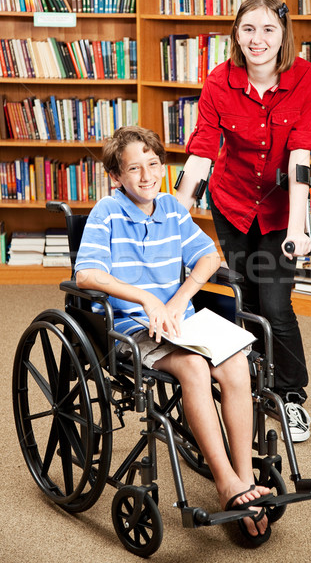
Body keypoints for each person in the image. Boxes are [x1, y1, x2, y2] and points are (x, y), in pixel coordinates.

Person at [74, 126, 271, 543]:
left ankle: (244, 474)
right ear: (116, 176)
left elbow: (208, 257)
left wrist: (179, 299)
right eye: (133, 168)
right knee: (195, 367)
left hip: (180, 319)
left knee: (237, 362)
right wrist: (147, 299)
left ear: (163, 167)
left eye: (153, 165)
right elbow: (87, 273)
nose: (146, 176)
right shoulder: (106, 212)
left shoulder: (173, 209)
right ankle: (225, 483)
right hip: (131, 325)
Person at [175, 0, 311, 443]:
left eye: (268, 30)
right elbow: (202, 151)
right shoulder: (220, 80)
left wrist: (297, 229)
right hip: (233, 201)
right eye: (248, 29)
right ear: (236, 34)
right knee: (244, 298)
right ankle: (254, 385)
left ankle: (290, 397)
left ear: (283, 35)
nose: (257, 40)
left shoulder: (305, 78)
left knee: (277, 304)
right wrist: (174, 219)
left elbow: (300, 157)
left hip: (281, 209)